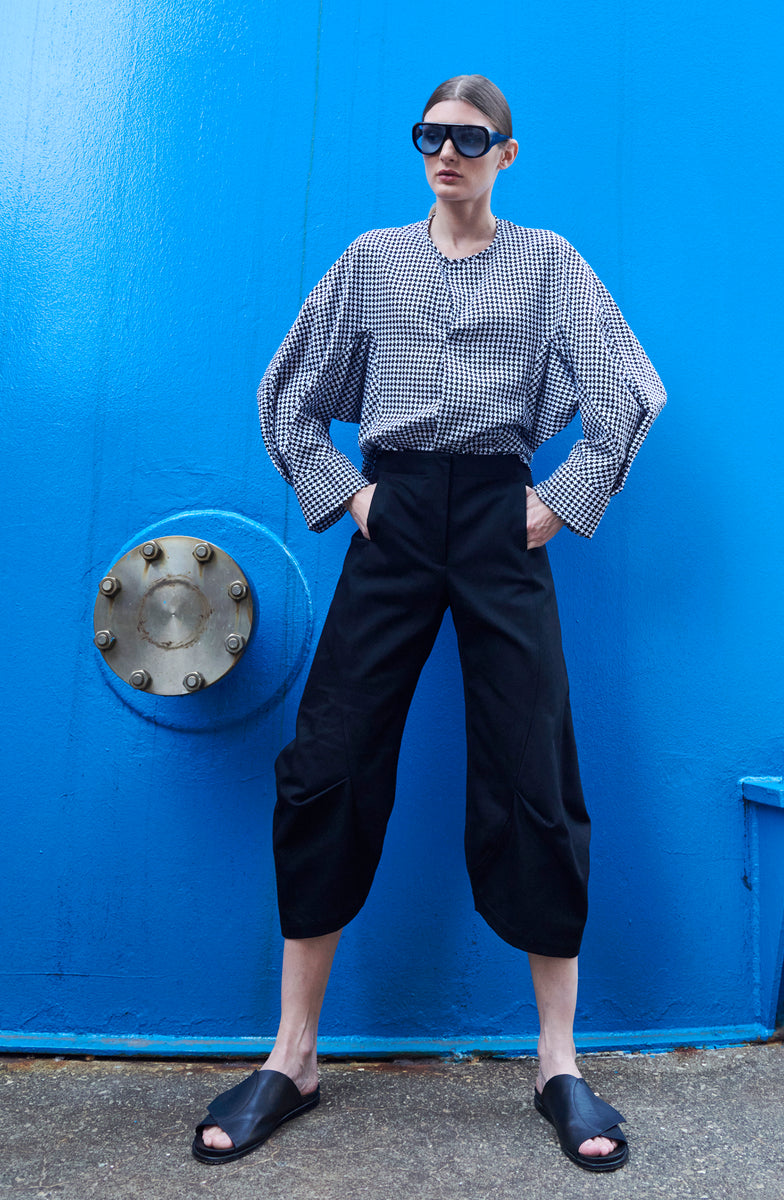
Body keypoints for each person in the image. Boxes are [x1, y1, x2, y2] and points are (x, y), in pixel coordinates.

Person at [192, 73, 665, 1173]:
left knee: (535, 772)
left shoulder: (549, 263)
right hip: (395, 517)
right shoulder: (370, 261)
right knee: (327, 764)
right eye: (430, 137)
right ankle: (294, 1056)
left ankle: (559, 1065)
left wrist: (554, 507)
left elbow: (629, 393)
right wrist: (355, 497)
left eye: (470, 138)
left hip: (500, 517)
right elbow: (286, 397)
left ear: (507, 153)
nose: (447, 153)